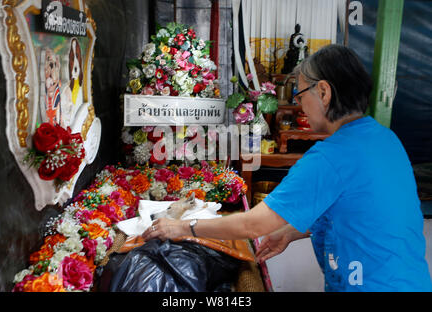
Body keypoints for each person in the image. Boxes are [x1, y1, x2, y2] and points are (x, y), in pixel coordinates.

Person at [142, 44, 432, 292]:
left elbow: (252, 224)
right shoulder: (385, 139)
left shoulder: (330, 157)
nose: (299, 103)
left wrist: (182, 227)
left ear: (324, 92)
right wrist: (291, 232)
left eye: (300, 92)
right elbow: (357, 212)